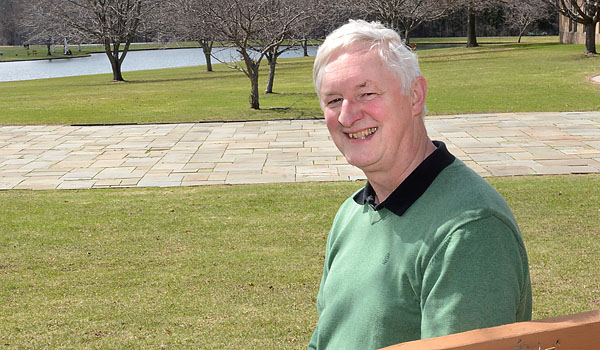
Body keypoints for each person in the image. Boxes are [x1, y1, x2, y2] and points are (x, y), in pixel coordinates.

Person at [308, 20, 532, 350]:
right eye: (333, 100)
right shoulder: (351, 213)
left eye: (366, 94)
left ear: (415, 96)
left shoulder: (470, 230)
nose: (346, 116)